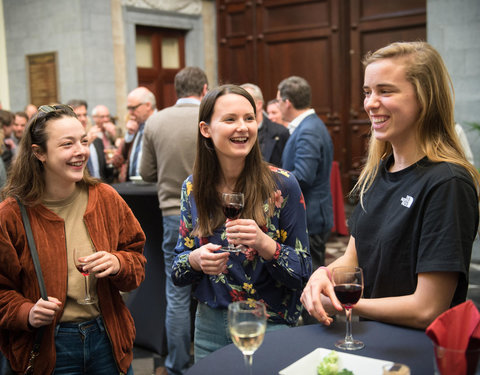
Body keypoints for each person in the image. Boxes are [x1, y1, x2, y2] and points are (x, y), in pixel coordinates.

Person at [301, 41, 480, 330]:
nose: (370, 103)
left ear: (425, 98)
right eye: (368, 92)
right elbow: (352, 258)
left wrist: (344, 302)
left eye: (385, 91)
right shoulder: (376, 174)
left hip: (416, 353)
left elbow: (428, 308)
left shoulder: (448, 183)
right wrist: (323, 275)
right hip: (371, 341)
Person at [0, 105, 146, 374]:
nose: (81, 151)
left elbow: (136, 260)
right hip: (50, 346)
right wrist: (27, 313)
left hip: (107, 338)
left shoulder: (105, 198)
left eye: (84, 141)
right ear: (39, 153)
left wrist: (118, 262)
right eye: (67, 144)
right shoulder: (11, 214)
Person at [171, 84, 312, 361]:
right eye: (230, 119)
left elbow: (304, 271)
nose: (243, 127)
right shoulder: (193, 188)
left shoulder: (282, 185)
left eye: (249, 118)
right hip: (210, 327)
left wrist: (264, 244)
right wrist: (196, 260)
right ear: (206, 129)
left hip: (270, 324)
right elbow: (177, 270)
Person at [140, 66, 208, 375]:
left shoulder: (156, 120)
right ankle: (217, 362)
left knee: (177, 293)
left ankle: (178, 366)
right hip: (215, 212)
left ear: (175, 91)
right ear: (204, 89)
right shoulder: (211, 117)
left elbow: (146, 173)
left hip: (171, 215)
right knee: (220, 287)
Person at [277, 76, 334, 269]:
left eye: (278, 101)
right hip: (311, 213)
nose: (277, 106)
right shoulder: (309, 125)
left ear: (287, 102)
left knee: (312, 279)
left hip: (311, 216)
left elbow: (303, 175)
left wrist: (271, 181)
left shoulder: (308, 129)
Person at [240, 83, 290, 167]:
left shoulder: (280, 132)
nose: (240, 106)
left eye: (245, 102)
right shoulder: (237, 131)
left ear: (259, 105)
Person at [112, 87, 156, 181]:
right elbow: (120, 159)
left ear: (148, 105)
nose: (130, 113)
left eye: (133, 108)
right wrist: (129, 136)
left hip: (153, 185)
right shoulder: (136, 125)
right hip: (132, 185)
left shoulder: (161, 123)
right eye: (129, 108)